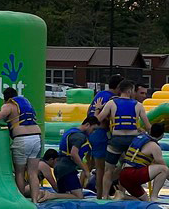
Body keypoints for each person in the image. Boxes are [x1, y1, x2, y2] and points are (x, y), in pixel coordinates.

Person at [0, 87, 44, 201]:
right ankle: (35, 201)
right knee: (33, 173)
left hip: (22, 140)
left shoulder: (8, 105)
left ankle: (21, 200)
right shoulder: (27, 104)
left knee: (19, 173)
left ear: (5, 98)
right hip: (37, 138)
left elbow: (2, 114)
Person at [96, 79, 152, 199]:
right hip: (132, 142)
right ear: (130, 90)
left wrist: (97, 108)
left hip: (116, 140)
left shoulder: (111, 104)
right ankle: (122, 192)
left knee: (108, 170)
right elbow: (148, 127)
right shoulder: (138, 105)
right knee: (126, 169)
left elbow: (98, 119)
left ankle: (105, 196)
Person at [43, 116, 99, 201]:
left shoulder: (71, 131)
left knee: (64, 194)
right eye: (93, 129)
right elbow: (74, 154)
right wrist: (85, 170)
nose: (93, 132)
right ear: (87, 125)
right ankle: (52, 195)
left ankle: (53, 196)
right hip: (67, 169)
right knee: (78, 196)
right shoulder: (80, 136)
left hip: (59, 167)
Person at [86, 74, 122, 202]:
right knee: (102, 168)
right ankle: (100, 196)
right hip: (100, 132)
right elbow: (102, 117)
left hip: (92, 133)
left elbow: (89, 112)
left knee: (90, 164)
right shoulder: (112, 99)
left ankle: (83, 188)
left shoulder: (99, 94)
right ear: (118, 87)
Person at [117, 123, 167, 201]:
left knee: (145, 200)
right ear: (162, 135)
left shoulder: (140, 138)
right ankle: (154, 197)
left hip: (123, 175)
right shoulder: (155, 147)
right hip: (132, 174)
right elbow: (163, 167)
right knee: (164, 169)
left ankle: (124, 196)